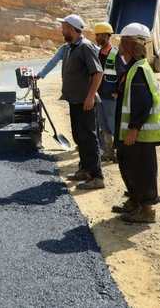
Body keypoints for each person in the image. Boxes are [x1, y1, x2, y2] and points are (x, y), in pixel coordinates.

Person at [111, 23, 160, 223]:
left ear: (128, 43)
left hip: (140, 134)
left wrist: (134, 128)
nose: (118, 44)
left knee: (141, 170)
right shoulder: (132, 67)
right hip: (130, 132)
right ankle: (135, 202)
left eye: (121, 41)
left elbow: (143, 101)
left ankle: (147, 210)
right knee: (129, 168)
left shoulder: (138, 69)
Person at [56, 14, 105, 190]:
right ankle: (85, 170)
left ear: (71, 29)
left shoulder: (84, 47)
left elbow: (97, 73)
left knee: (89, 138)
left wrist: (91, 96)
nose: (61, 31)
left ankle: (97, 177)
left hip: (86, 102)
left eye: (63, 28)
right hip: (75, 101)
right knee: (79, 137)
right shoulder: (72, 47)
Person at [93, 22, 126, 161]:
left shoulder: (115, 53)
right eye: (96, 35)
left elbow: (124, 74)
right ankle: (108, 152)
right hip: (99, 97)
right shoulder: (98, 53)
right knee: (103, 126)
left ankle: (120, 154)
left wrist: (119, 92)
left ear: (106, 36)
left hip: (111, 99)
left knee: (113, 127)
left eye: (98, 35)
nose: (96, 38)